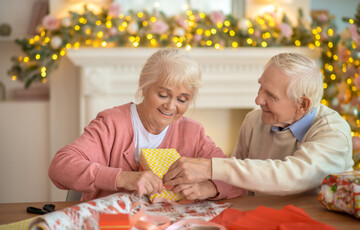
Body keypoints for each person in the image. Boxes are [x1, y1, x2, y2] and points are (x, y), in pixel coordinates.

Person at [49, 48, 246, 201]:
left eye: (182, 99)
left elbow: (238, 179)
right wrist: (123, 178)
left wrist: (208, 188)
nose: (171, 106)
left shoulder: (193, 133)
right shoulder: (112, 124)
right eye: (163, 95)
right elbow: (60, 167)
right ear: (144, 86)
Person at [163, 52, 354, 196]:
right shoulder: (254, 121)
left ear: (302, 104)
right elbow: (239, 181)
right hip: (263, 218)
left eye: (270, 95)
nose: (258, 100)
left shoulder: (333, 131)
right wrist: (210, 188)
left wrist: (210, 167)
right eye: (260, 87)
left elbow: (292, 175)